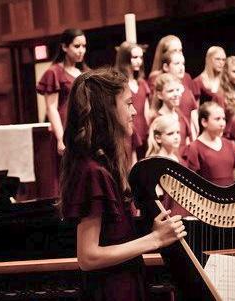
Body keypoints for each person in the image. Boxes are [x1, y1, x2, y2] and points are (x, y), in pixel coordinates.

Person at [59, 67, 186, 301]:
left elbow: (114, 234)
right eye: (128, 103)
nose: (135, 110)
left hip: (124, 284)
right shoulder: (92, 171)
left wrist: (149, 228)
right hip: (112, 291)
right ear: (107, 110)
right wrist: (154, 239)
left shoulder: (102, 164)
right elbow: (88, 257)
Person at [36, 28, 88, 196]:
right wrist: (60, 138)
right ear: (65, 47)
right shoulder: (54, 72)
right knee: (66, 176)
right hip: (65, 130)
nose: (81, 50)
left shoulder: (84, 72)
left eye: (84, 46)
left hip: (83, 130)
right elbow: (51, 107)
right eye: (77, 46)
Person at [183, 101, 235, 186]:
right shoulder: (194, 148)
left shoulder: (231, 145)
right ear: (204, 122)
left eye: (224, 119)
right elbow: (192, 182)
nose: (222, 123)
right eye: (217, 119)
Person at [146, 115, 190, 217]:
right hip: (167, 215)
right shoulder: (155, 162)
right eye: (170, 133)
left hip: (184, 213)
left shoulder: (180, 159)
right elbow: (155, 198)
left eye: (178, 132)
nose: (176, 137)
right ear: (158, 138)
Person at [115, 41, 150, 161]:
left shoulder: (142, 83)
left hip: (144, 132)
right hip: (128, 132)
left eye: (140, 57)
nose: (139, 61)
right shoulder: (120, 84)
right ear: (125, 58)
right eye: (134, 57)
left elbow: (146, 111)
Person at [149, 73, 192, 154]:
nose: (176, 94)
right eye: (170, 91)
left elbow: (187, 142)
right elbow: (155, 149)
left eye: (177, 90)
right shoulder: (157, 120)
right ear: (160, 95)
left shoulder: (180, 115)